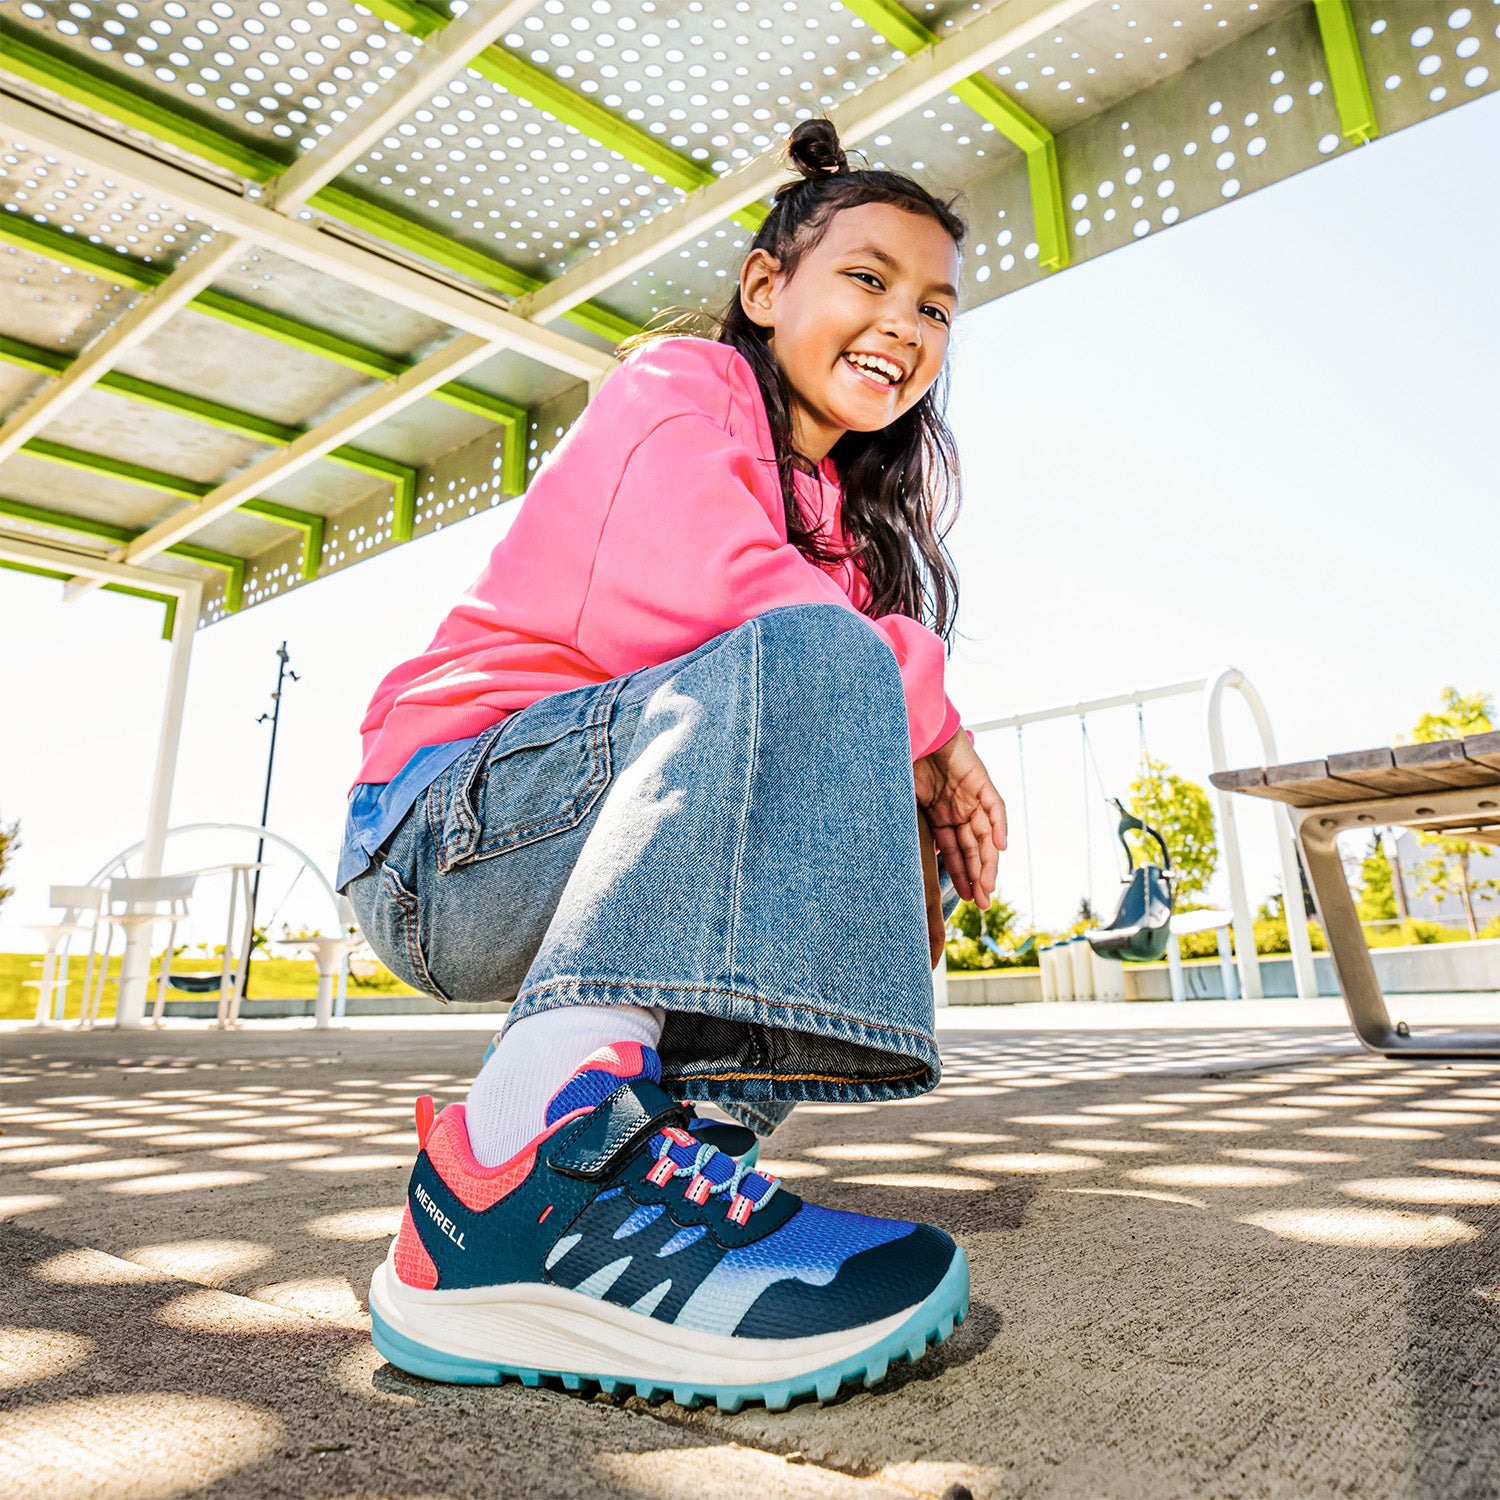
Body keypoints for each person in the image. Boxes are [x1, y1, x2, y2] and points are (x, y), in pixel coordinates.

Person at [339, 117, 1008, 1410]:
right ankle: (532, 1170)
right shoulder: (678, 389)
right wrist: (940, 727)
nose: (905, 324)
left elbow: (823, 655)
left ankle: (661, 1174)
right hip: (448, 828)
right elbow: (742, 604)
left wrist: (908, 763)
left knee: (857, 728)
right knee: (826, 671)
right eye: (866, 278)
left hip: (585, 840)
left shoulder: (848, 541)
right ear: (767, 289)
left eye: (935, 304)